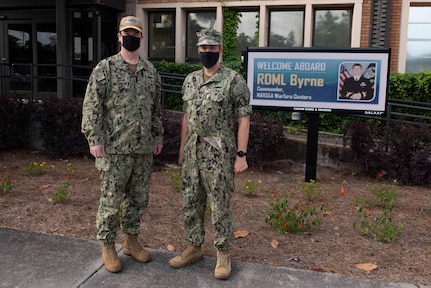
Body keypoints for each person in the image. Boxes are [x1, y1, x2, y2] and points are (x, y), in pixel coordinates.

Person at [81, 15, 163, 273]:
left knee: (138, 199)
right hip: (114, 149)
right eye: (126, 33)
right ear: (119, 36)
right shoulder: (104, 69)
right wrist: (94, 140)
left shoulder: (150, 71)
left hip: (142, 149)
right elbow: (91, 106)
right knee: (111, 200)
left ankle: (131, 241)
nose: (131, 37)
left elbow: (156, 110)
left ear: (141, 37)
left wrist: (158, 136)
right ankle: (108, 245)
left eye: (135, 33)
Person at [169, 28, 252, 280]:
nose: (207, 52)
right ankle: (194, 247)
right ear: (198, 51)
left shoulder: (233, 81)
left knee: (219, 205)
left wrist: (241, 155)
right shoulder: (191, 80)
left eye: (212, 49)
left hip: (219, 154)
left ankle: (223, 253)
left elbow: (244, 119)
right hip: (193, 153)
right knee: (191, 203)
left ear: (220, 51)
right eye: (203, 49)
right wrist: (182, 149)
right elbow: (187, 117)